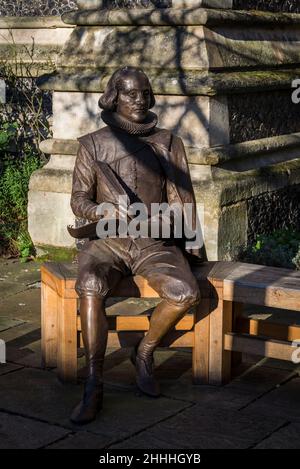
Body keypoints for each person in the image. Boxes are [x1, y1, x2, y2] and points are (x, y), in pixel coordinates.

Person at [69, 66, 202, 424]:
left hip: (152, 241)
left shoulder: (168, 143)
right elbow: (78, 199)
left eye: (144, 93)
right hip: (106, 239)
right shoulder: (93, 144)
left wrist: (176, 233)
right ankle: (94, 380)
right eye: (129, 93)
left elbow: (181, 201)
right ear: (114, 97)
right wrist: (99, 208)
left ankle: (143, 353)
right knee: (91, 283)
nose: (139, 100)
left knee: (185, 292)